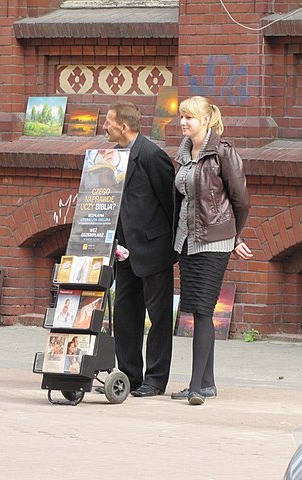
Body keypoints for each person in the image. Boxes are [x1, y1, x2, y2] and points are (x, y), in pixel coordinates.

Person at [170, 96, 252, 405]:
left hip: (213, 242)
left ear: (206, 120)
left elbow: (241, 200)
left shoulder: (222, 153)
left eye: (189, 118)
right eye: (181, 117)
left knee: (203, 311)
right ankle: (207, 383)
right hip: (186, 242)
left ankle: (195, 387)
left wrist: (234, 236)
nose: (183, 123)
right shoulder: (184, 153)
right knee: (195, 309)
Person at [102, 102, 176, 397]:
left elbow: (170, 202)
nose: (104, 126)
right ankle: (130, 375)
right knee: (124, 313)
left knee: (158, 318)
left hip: (153, 248)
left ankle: (156, 379)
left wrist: (168, 245)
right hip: (124, 249)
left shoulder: (151, 155)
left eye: (108, 122)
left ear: (123, 126)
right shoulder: (112, 155)